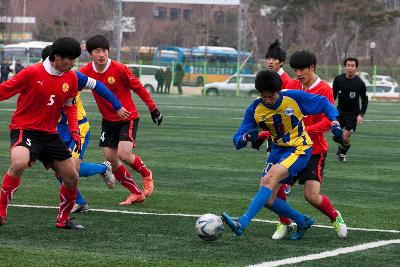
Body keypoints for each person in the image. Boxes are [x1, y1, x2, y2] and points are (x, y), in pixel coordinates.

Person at [221, 70, 344, 240]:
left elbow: (324, 103)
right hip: (277, 151)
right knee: (268, 199)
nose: (268, 100)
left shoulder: (293, 98)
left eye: (271, 96)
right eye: (264, 97)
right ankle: (302, 221)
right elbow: (237, 140)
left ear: (278, 91)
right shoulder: (255, 109)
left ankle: (241, 223)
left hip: (299, 148)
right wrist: (246, 137)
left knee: (268, 180)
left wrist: (335, 122)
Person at [0, 37, 84, 229]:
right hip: (25, 128)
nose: (71, 64)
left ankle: (63, 220)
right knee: (19, 162)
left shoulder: (71, 77)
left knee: (72, 177)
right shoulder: (31, 73)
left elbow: (70, 105)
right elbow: (4, 91)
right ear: (56, 57)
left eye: (74, 60)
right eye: (68, 59)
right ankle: (0, 212)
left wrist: (74, 131)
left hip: (49, 133)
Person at [264, 50, 347, 240]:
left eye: (302, 70)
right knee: (272, 188)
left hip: (314, 150)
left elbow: (329, 120)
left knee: (311, 196)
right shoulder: (293, 86)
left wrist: (305, 132)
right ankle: (285, 223)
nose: (298, 74)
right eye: (295, 70)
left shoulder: (324, 89)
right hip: (291, 150)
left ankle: (335, 217)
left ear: (312, 68)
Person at [41, 45, 130, 213]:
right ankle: (80, 202)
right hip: (57, 130)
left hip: (78, 127)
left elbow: (99, 86)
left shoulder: (73, 76)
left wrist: (117, 106)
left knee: (70, 170)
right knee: (59, 170)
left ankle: (104, 168)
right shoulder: (40, 75)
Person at [80, 35, 163, 206]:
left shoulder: (119, 69)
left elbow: (138, 88)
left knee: (123, 154)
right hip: (108, 121)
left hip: (127, 118)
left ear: (108, 51)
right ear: (90, 54)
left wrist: (152, 108)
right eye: (97, 51)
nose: (101, 54)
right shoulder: (86, 71)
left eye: (104, 50)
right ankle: (135, 193)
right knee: (111, 158)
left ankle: (146, 174)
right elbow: (70, 84)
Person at [265, 39, 292, 194]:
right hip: (272, 125)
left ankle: (285, 181)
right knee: (272, 155)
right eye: (268, 58)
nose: (270, 62)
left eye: (274, 59)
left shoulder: (286, 81)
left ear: (281, 62)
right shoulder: (268, 77)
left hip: (283, 126)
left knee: (281, 155)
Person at [333, 57, 368, 162]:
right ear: (345, 67)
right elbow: (332, 95)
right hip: (340, 111)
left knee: (345, 138)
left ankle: (342, 151)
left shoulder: (360, 83)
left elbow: (365, 100)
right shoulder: (338, 80)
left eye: (352, 66)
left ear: (356, 68)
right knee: (336, 135)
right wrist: (329, 108)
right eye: (348, 65)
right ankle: (343, 148)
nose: (350, 68)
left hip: (353, 114)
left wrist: (361, 115)